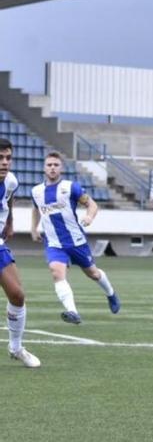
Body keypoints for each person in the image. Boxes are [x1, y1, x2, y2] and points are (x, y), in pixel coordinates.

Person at [30, 151, 120, 325]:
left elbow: (92, 204)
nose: (52, 168)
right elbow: (36, 209)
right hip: (54, 243)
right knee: (57, 272)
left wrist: (89, 217)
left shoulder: (71, 187)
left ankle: (111, 294)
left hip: (76, 241)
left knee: (93, 274)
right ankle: (73, 311)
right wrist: (33, 228)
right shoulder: (36, 191)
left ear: (61, 168)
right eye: (49, 165)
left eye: (56, 165)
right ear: (44, 168)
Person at [0, 138, 40, 367]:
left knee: (17, 295)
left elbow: (9, 197)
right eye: (0, 158)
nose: (5, 163)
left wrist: (10, 222)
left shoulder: (11, 180)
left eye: (8, 158)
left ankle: (16, 348)